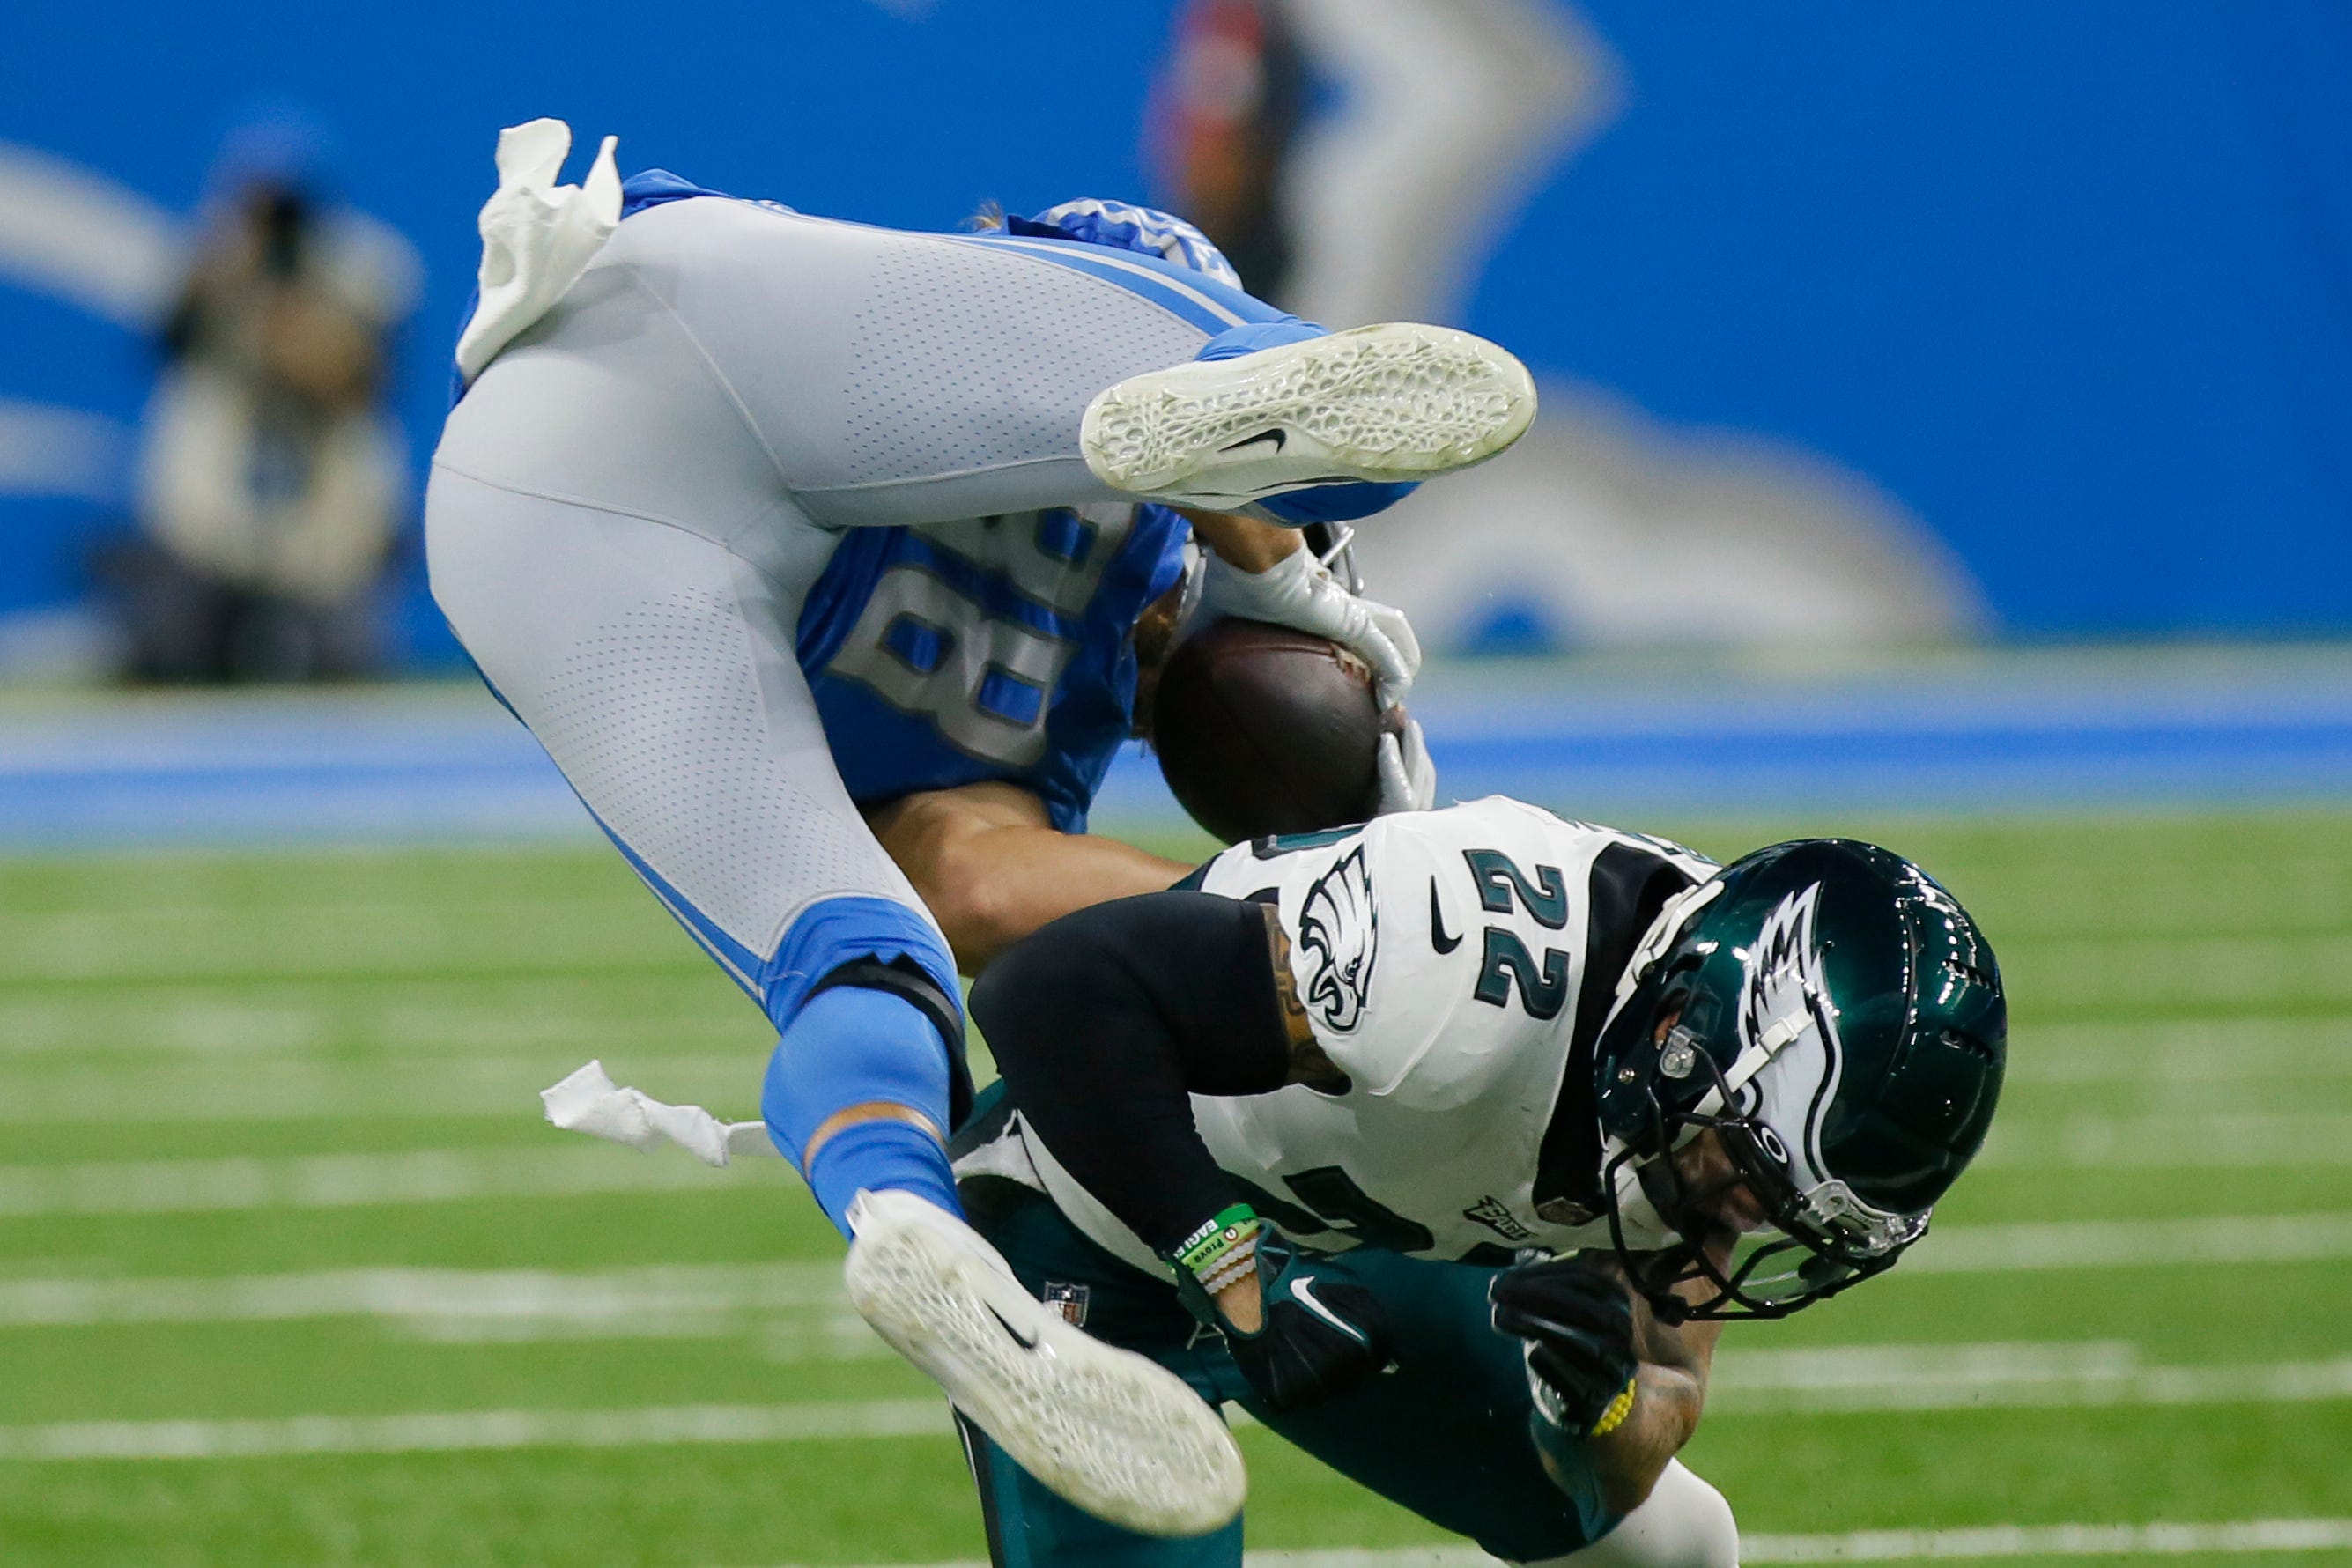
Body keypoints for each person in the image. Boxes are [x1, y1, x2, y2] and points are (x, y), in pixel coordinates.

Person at [427, 120, 1535, 1535]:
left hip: (564, 471)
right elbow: (1001, 880)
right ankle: (1234, 393)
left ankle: (897, 1212)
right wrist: (1300, 943)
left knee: (858, 960)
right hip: (756, 396)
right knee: (866, 943)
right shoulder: (1049, 711)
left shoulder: (1033, 691)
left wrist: (1262, 941)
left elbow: (999, 890)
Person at [955, 797, 2008, 1565]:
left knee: (1673, 1547)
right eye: (1746, 1173)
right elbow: (1050, 994)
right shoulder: (1463, 968)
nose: (1738, 1220)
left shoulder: (1717, 1102)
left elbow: (1668, 1392)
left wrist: (1590, 1409)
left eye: (1783, 1214)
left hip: (1339, 1240)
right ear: (1683, 1030)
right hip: (1097, 1205)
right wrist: (1237, 1272)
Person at [121, 122, 416, 682]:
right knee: (173, 661)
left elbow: (360, 383)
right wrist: (223, 277)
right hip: (216, 509)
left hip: (326, 509)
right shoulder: (209, 262)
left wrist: (289, 320)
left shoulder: (361, 269)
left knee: (344, 666)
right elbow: (163, 347)